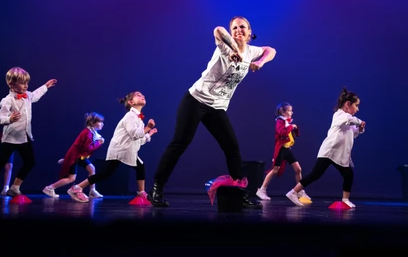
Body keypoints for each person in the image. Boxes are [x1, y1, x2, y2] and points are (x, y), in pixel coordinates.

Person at [148, 16, 276, 208]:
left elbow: (270, 50)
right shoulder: (225, 45)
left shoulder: (251, 51)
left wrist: (262, 62)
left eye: (243, 27)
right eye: (235, 28)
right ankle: (157, 188)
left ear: (250, 33)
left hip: (217, 107)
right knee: (180, 143)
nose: (238, 30)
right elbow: (218, 30)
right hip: (196, 100)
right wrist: (233, 50)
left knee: (231, 147)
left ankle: (241, 195)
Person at [0, 67, 57, 201]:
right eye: (22, 83)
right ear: (11, 84)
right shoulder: (8, 100)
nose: (26, 86)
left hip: (24, 137)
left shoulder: (28, 96)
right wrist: (9, 119)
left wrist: (46, 86)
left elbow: (36, 94)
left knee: (30, 162)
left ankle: (15, 187)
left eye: (27, 83)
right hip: (10, 138)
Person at [67, 91, 157, 203]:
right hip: (119, 150)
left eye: (143, 95)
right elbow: (135, 134)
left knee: (140, 166)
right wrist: (147, 128)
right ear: (131, 102)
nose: (143, 96)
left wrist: (149, 134)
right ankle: (77, 188)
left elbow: (139, 140)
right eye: (138, 95)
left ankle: (141, 193)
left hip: (129, 151)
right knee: (105, 174)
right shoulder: (130, 116)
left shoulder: (139, 119)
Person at [285, 87, 365, 208]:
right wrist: (359, 122)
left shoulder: (348, 120)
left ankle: (345, 199)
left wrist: (359, 130)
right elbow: (349, 120)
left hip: (338, 154)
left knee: (347, 174)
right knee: (315, 174)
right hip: (329, 151)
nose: (357, 109)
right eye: (356, 105)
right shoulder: (339, 115)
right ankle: (293, 192)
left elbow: (351, 134)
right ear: (348, 104)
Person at [256, 102, 311, 203]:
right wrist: (291, 126)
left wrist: (294, 128)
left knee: (298, 169)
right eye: (289, 110)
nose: (292, 112)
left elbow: (294, 134)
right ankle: (262, 190)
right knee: (275, 169)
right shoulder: (280, 121)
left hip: (287, 149)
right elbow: (282, 132)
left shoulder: (287, 122)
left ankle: (299, 191)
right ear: (283, 112)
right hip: (281, 149)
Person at [42, 112, 106, 199]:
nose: (102, 124)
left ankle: (92, 191)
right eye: (100, 122)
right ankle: (50, 188)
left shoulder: (91, 132)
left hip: (81, 156)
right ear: (92, 123)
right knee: (71, 178)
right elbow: (87, 148)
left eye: (102, 122)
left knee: (92, 169)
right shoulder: (87, 133)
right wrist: (99, 143)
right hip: (76, 157)